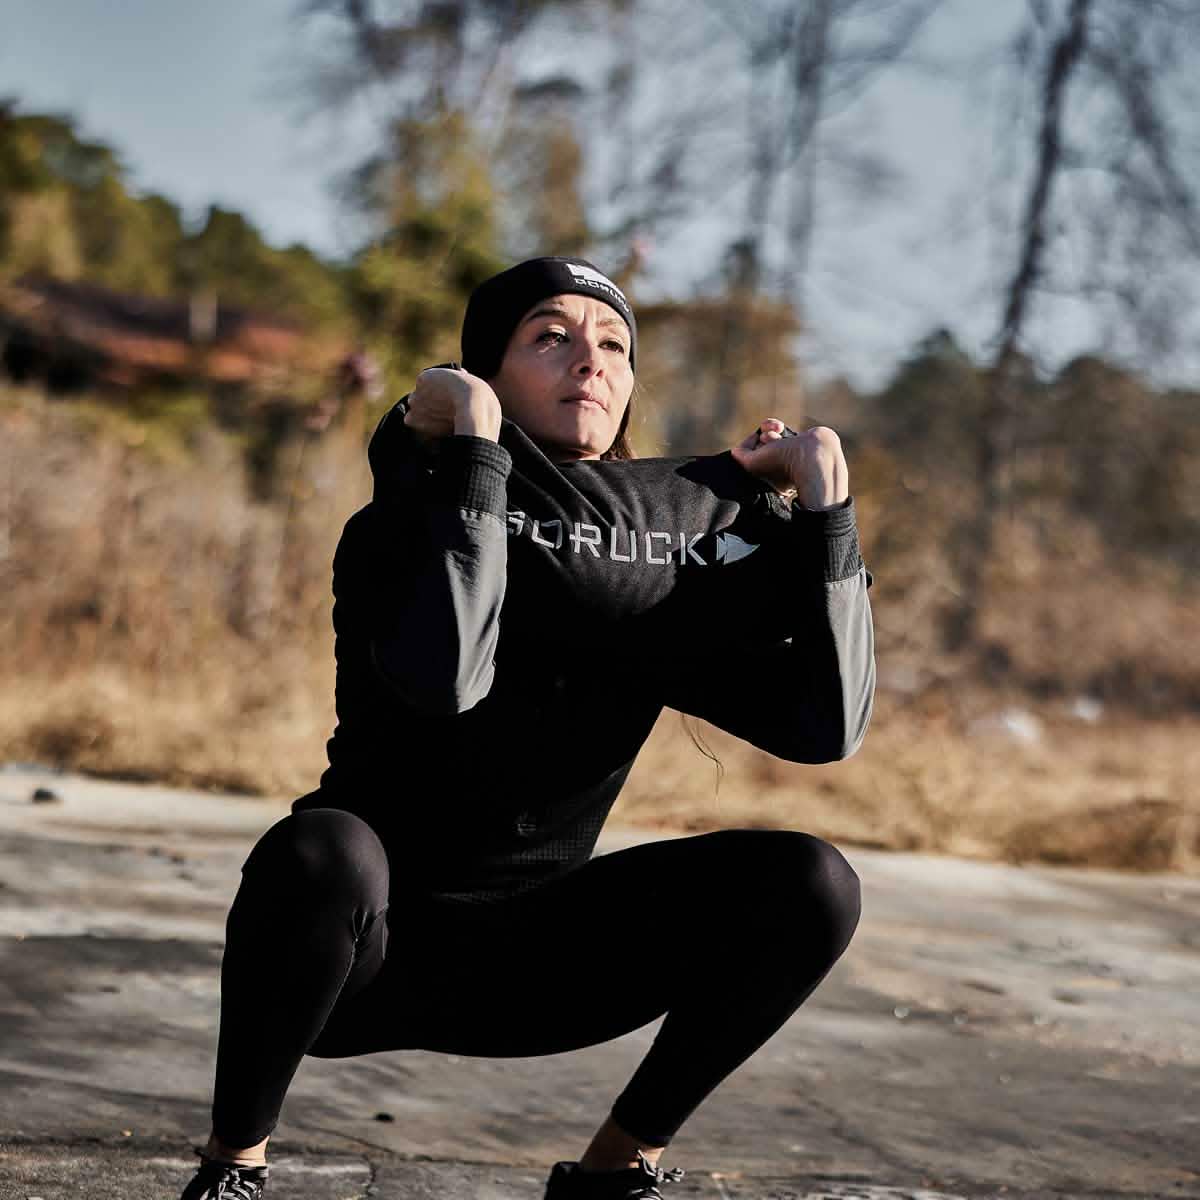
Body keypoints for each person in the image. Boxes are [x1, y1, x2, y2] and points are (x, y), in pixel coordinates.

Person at [179, 256, 876, 1200]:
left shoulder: (662, 575)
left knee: (811, 882)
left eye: (614, 345)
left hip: (537, 969)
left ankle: (615, 1171)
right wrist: (472, 452)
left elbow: (826, 726)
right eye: (549, 336)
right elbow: (446, 679)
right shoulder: (399, 529)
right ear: (488, 376)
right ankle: (236, 1164)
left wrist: (827, 512)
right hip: (356, 954)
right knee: (322, 850)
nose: (589, 360)